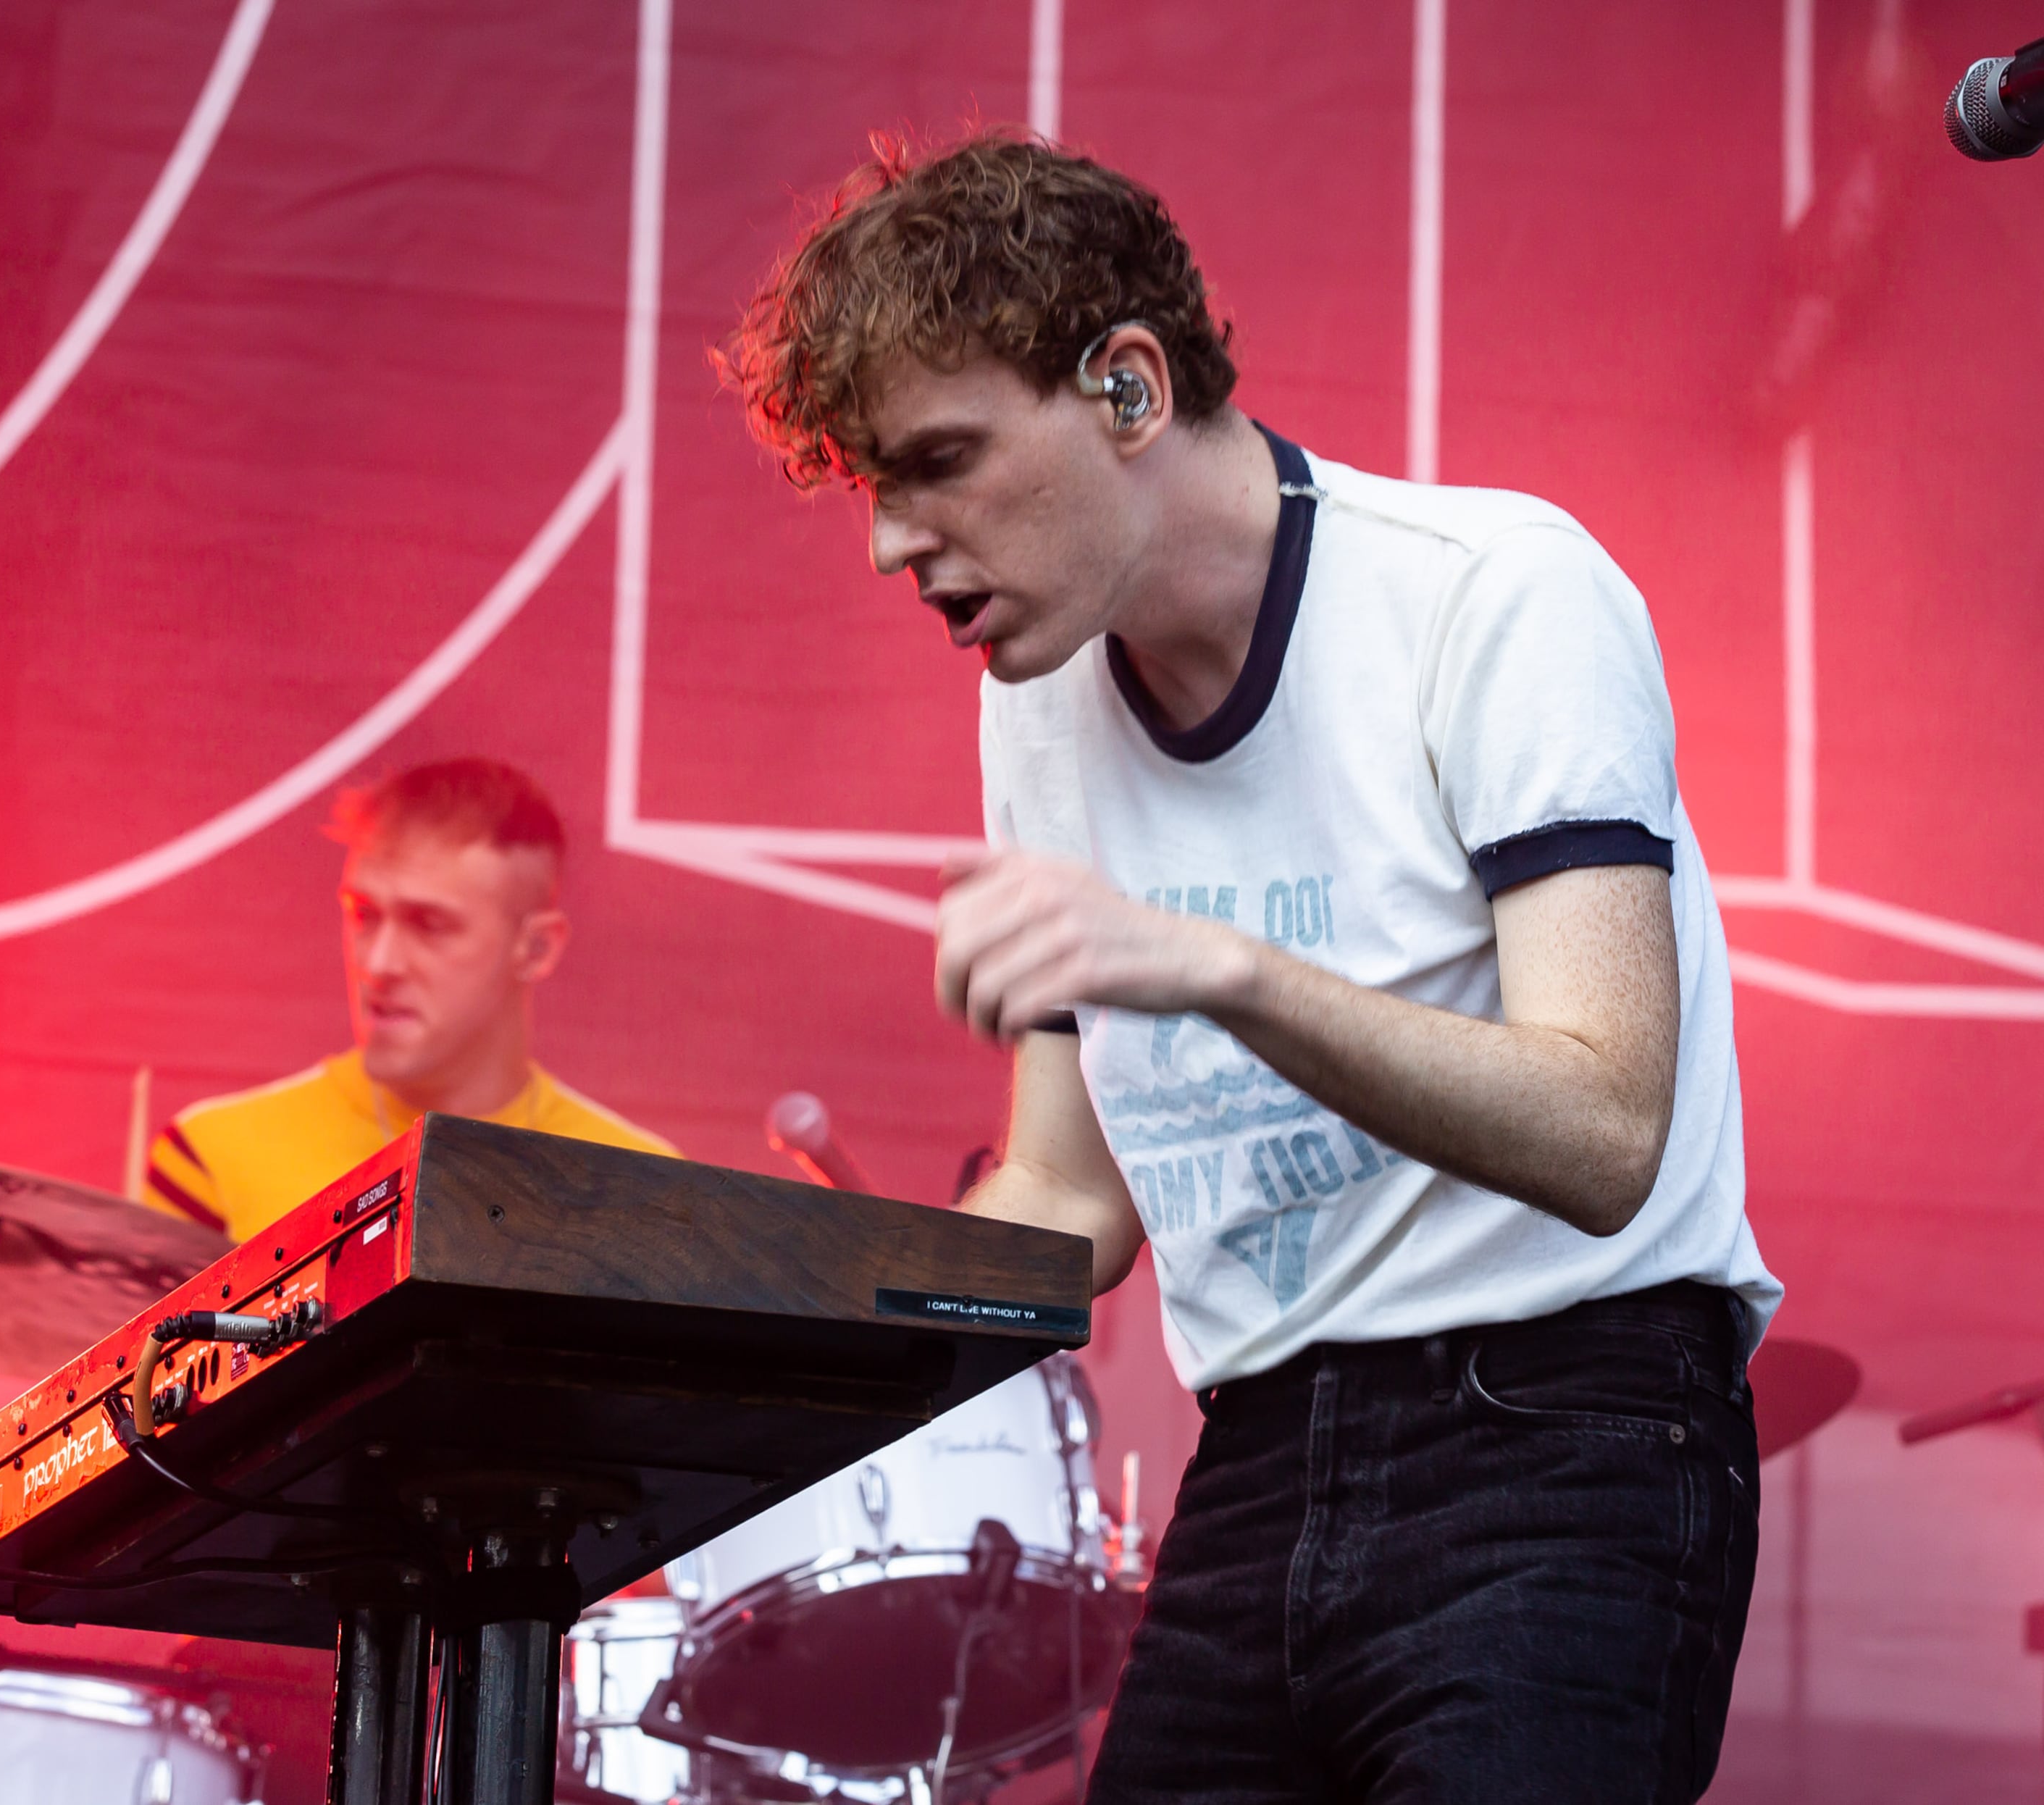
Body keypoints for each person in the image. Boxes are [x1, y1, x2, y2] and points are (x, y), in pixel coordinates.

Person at [719, 134, 1778, 1804]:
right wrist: (763, 1314)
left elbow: (1600, 1130)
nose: (887, 548)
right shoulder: (1036, 705)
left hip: (1559, 1441)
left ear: (1127, 390)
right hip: (1258, 1469)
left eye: (936, 462)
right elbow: (1067, 1206)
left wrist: (1215, 967)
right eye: (869, 489)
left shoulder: (1496, 594)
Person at [139, 758, 673, 1243]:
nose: (379, 963)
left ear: (535, 948)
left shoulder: (652, 1187)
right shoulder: (212, 1157)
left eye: (430, 925)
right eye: (364, 916)